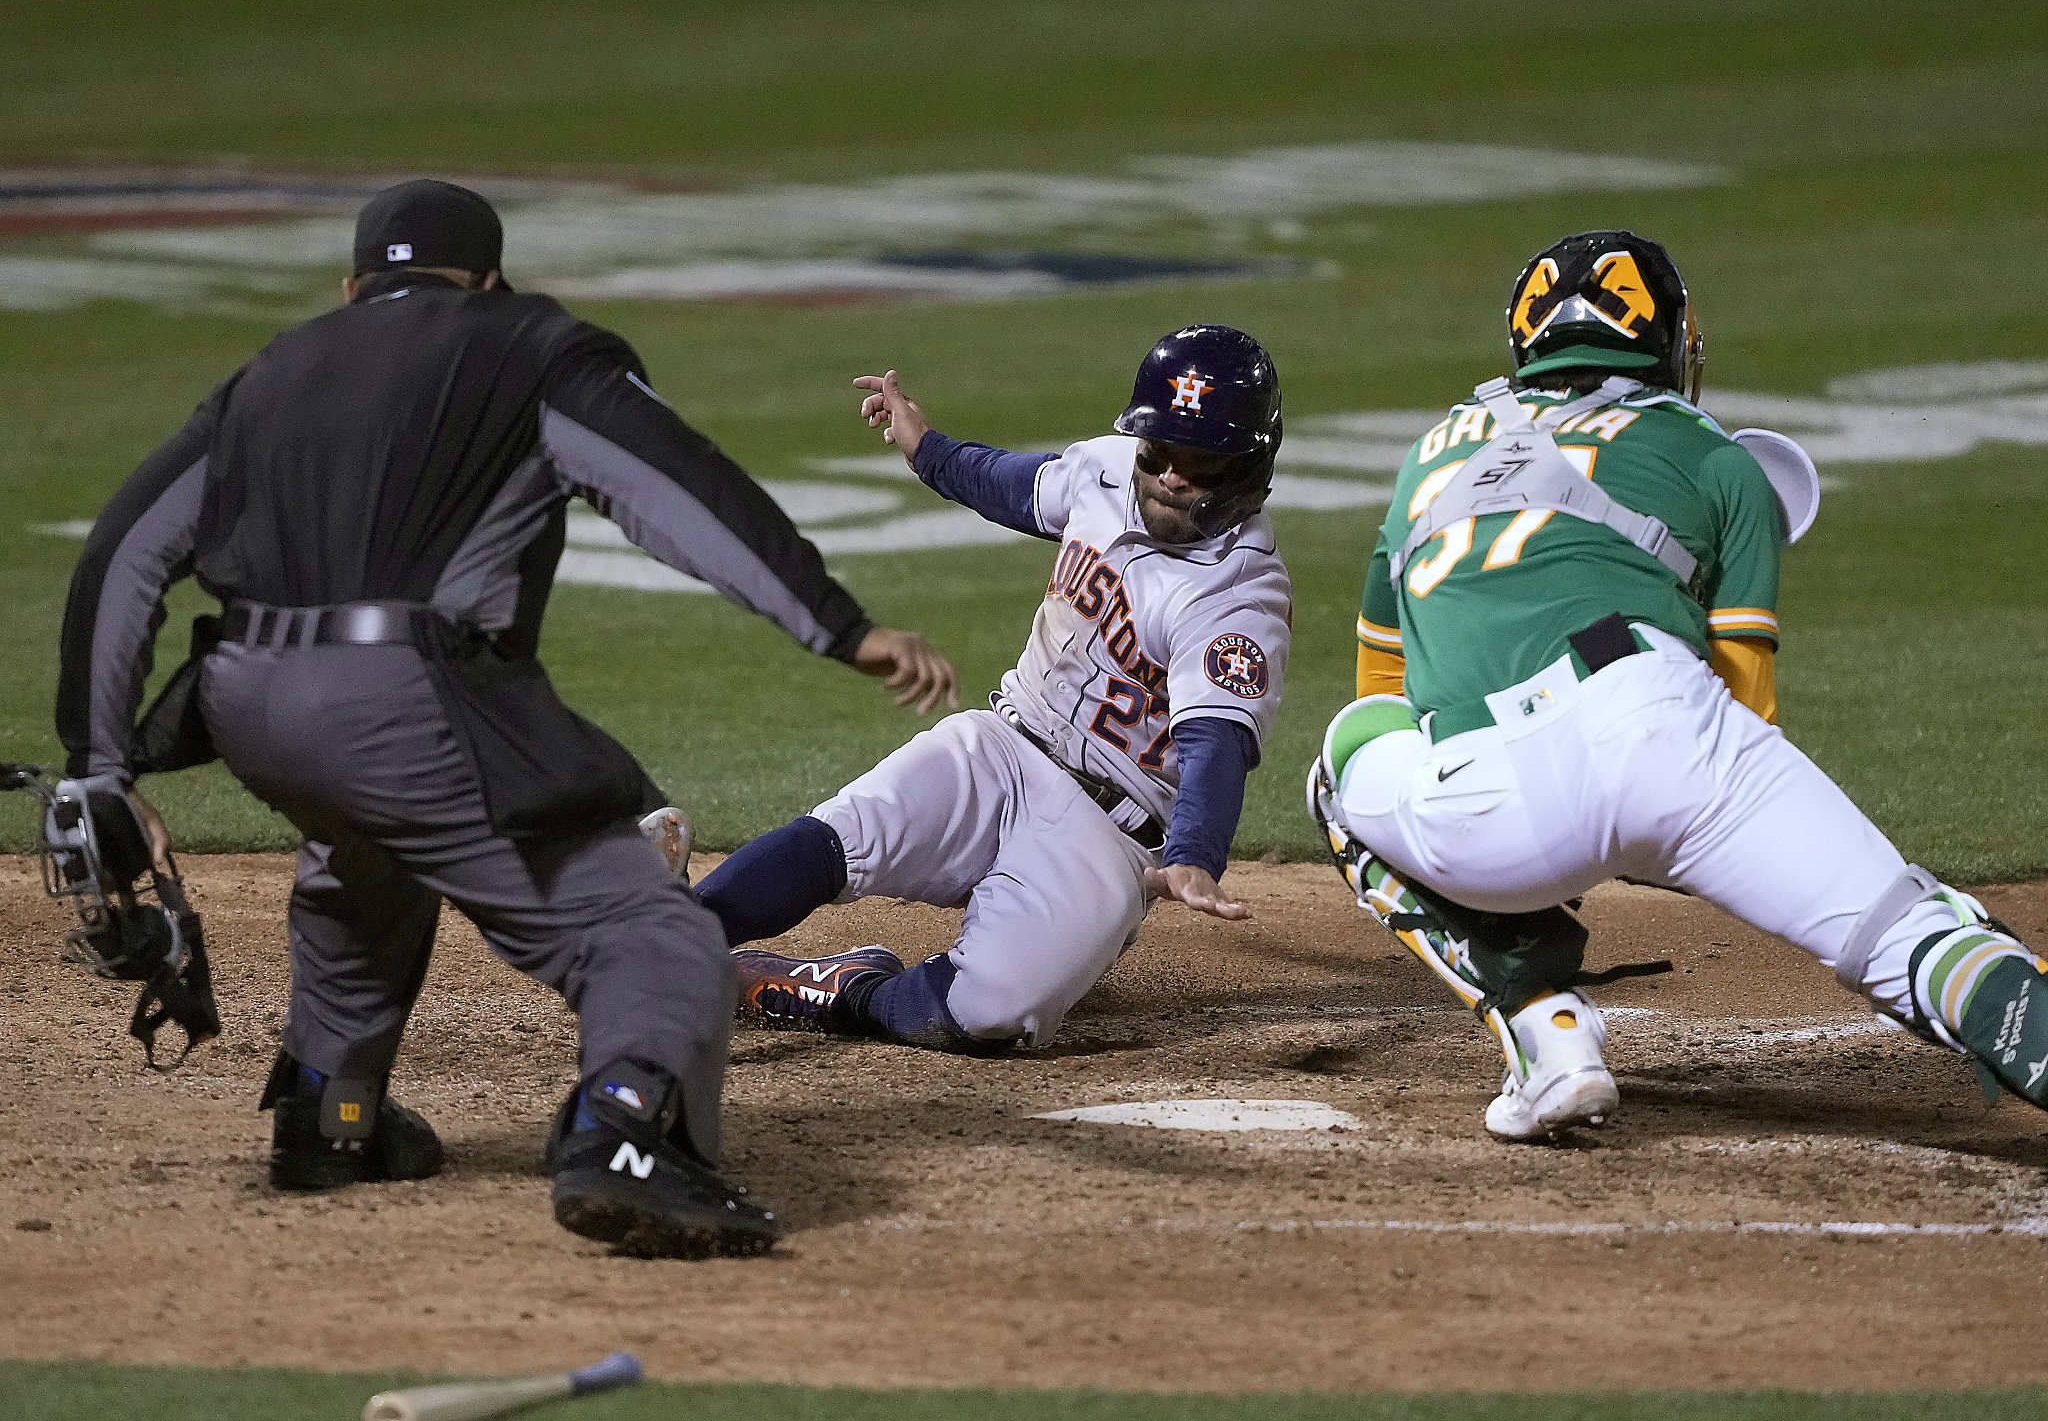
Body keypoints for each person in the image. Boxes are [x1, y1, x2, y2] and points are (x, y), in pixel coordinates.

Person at [54, 178, 956, 1257]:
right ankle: (627, 1140)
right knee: (648, 929)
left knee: (366, 854)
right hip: (400, 697)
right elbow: (672, 483)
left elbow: (123, 555)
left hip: (245, 702)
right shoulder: (529, 343)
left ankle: (329, 1110)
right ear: (488, 279)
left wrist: (100, 765)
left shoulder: (268, 371)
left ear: (351, 288)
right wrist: (835, 624)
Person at [1308, 228, 2048, 1140]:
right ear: (1670, 342)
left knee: (1343, 762)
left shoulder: (1426, 456)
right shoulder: (1717, 456)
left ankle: (1543, 1025)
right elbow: (1745, 707)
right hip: (1662, 727)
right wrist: (1712, 847)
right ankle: (1978, 975)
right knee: (1908, 931)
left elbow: (1384, 689)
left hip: (1486, 816)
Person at [690, 325, 1292, 1054]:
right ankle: (663, 937)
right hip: (1001, 745)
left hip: (1104, 835)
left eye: (1196, 460)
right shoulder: (1104, 471)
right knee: (844, 834)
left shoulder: (1240, 596)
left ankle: (843, 989)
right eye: (1157, 450)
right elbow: (1014, 486)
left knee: (989, 1016)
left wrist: (1196, 850)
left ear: (1246, 468)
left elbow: (1215, 743)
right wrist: (925, 446)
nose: (1168, 474)